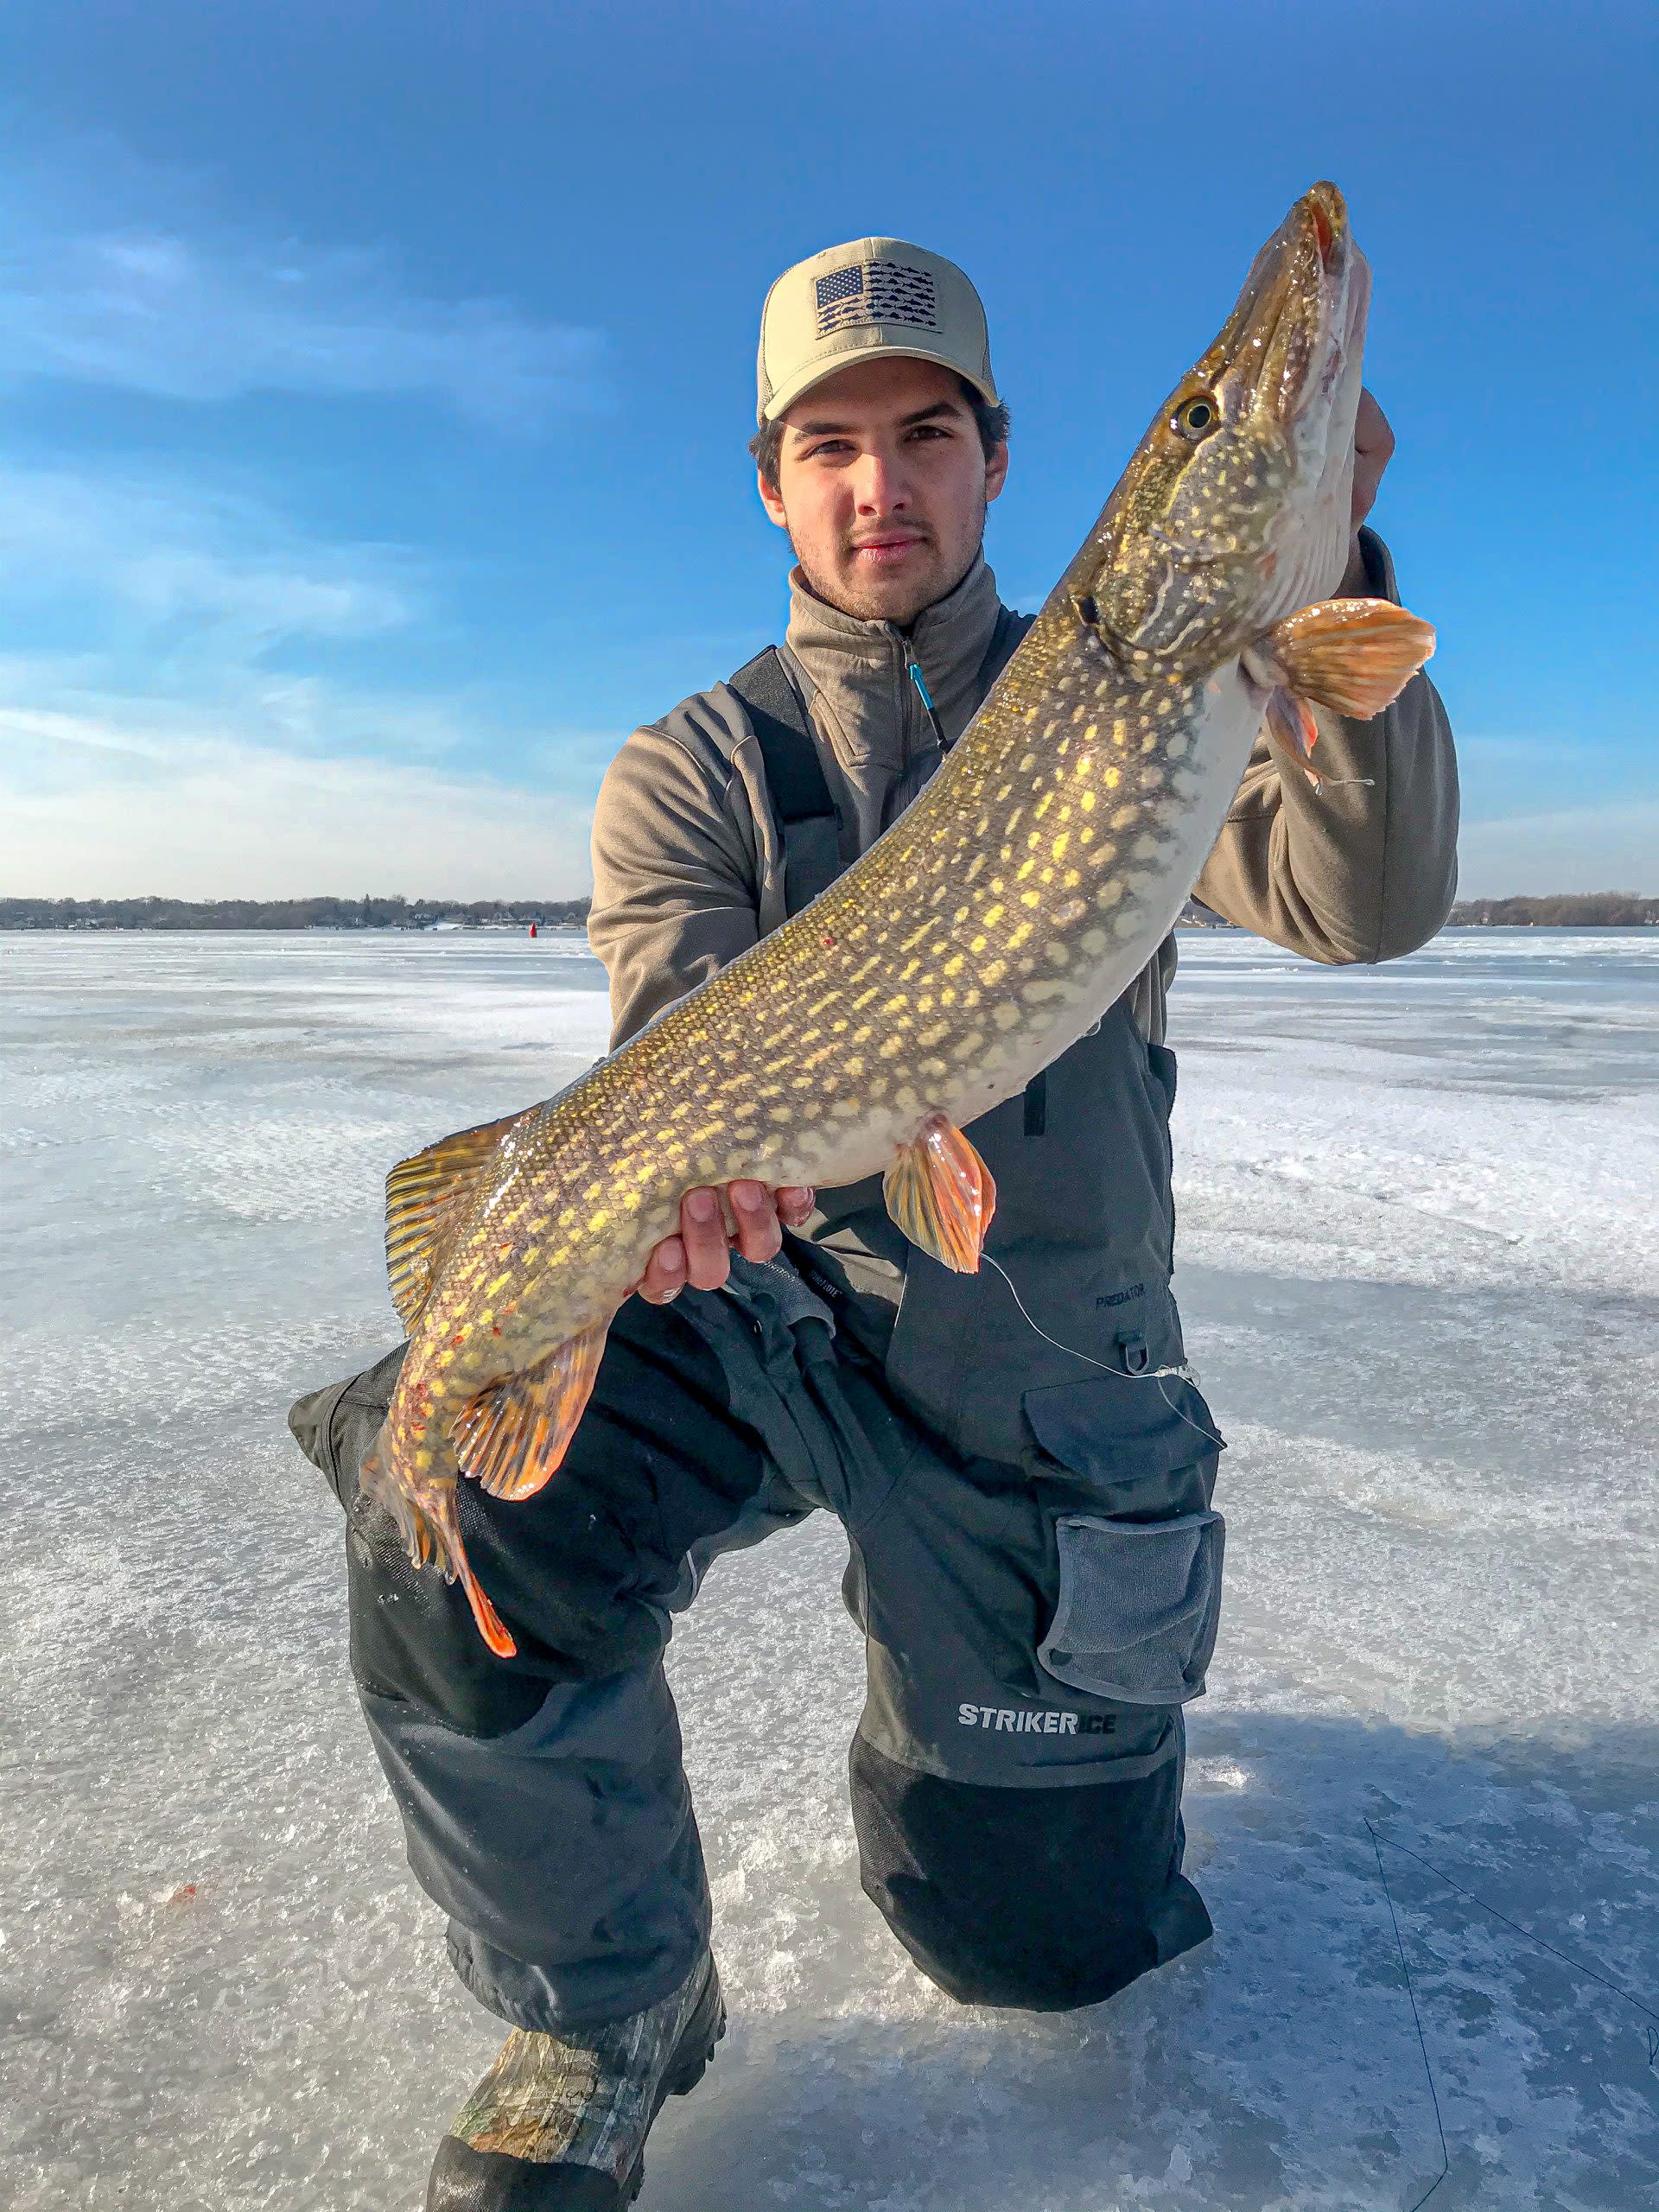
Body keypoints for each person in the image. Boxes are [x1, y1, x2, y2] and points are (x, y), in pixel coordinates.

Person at [290, 237, 1458, 2209]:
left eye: (926, 433)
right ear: (773, 479)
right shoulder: (692, 766)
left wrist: (1332, 546)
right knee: (463, 1487)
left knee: (1036, 1943)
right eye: (828, 444)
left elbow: (1372, 897)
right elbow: (688, 1046)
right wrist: (666, 1206)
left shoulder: (1166, 680)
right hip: (770, 1313)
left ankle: (1003, 1755)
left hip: (1042, 1371)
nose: (878, 482)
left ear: (1000, 462)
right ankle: (605, 2006)